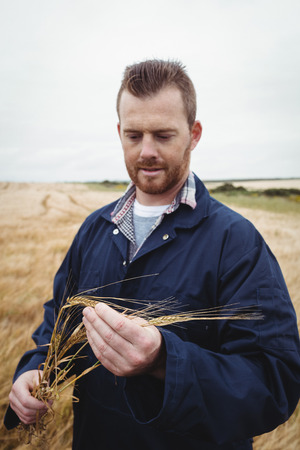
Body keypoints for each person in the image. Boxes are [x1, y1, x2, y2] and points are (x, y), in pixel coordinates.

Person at [5, 59, 300, 449]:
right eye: (133, 135)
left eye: (163, 135)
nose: (146, 151)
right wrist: (35, 370)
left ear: (193, 134)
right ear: (118, 132)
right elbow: (58, 322)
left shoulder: (236, 242)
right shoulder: (95, 228)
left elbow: (275, 383)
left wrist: (164, 361)